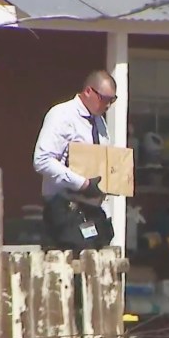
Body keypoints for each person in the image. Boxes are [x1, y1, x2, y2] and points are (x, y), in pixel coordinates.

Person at [33, 70, 117, 251]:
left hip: (92, 209)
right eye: (104, 99)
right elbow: (42, 160)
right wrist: (83, 184)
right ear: (88, 91)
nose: (108, 105)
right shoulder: (62, 115)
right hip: (65, 207)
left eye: (112, 100)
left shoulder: (99, 122)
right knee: (72, 258)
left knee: (101, 249)